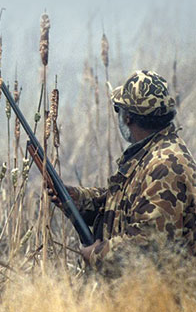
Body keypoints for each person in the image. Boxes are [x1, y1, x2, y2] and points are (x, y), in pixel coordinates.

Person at [50, 70, 196, 276]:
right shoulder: (151, 153)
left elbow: (149, 244)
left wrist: (98, 254)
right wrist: (77, 198)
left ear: (127, 117)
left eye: (118, 109)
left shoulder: (166, 165)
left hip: (163, 303)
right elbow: (124, 204)